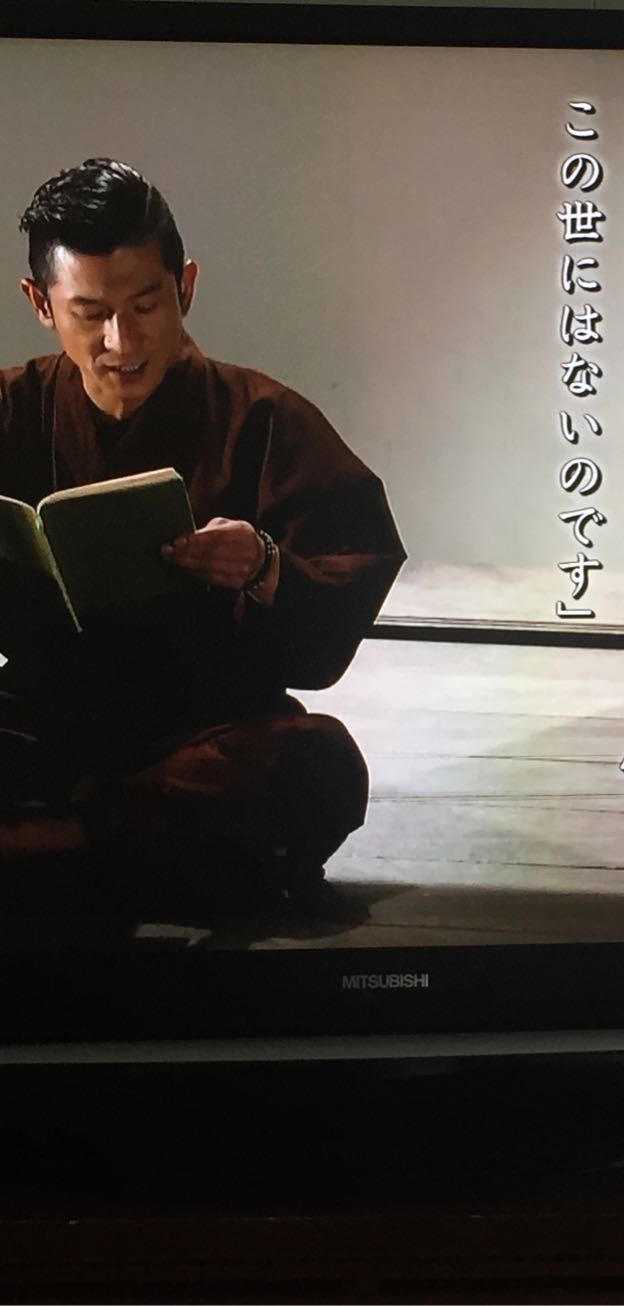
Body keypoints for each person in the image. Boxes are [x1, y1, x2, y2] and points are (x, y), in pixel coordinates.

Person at [0, 158, 405, 921]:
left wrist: (265, 567)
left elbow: (343, 572)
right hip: (44, 720)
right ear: (41, 304)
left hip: (206, 728)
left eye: (146, 304)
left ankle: (51, 843)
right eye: (91, 312)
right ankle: (116, 851)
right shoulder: (12, 409)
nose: (122, 339)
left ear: (185, 287)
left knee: (314, 768)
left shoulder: (263, 418)